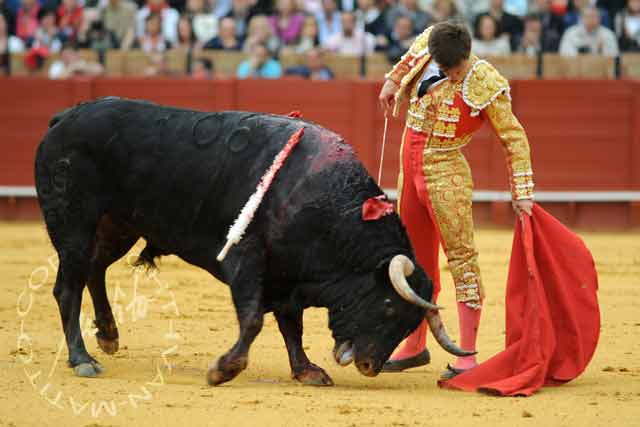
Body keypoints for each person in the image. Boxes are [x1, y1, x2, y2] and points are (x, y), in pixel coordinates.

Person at [378, 21, 534, 378]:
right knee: (415, 260)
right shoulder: (431, 40)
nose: (451, 74)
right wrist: (392, 80)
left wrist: (522, 192)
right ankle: (415, 345)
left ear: (465, 55)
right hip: (409, 166)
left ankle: (467, 353)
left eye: (455, 69)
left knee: (461, 258)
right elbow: (407, 60)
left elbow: (514, 138)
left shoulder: (485, 81)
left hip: (445, 173)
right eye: (445, 68)